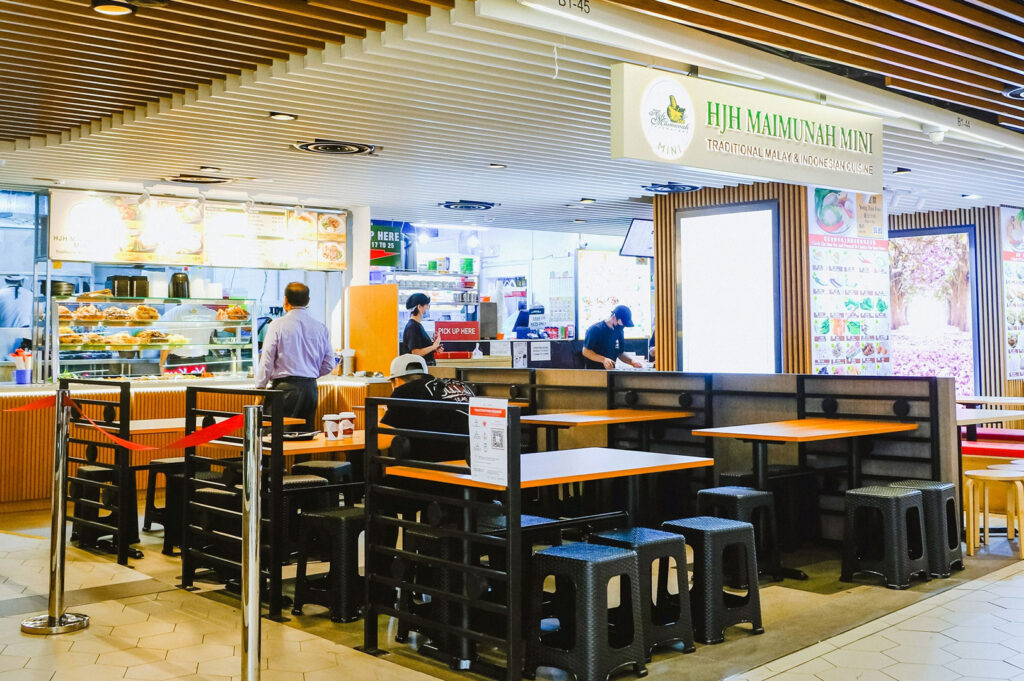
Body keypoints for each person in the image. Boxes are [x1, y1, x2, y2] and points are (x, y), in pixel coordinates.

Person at [255, 282, 335, 430]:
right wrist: (308, 373)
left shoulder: (277, 325)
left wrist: (260, 387)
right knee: (305, 436)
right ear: (308, 301)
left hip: (284, 389)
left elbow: (267, 359)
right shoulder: (320, 327)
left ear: (285, 301)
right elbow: (330, 364)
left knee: (272, 437)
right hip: (310, 389)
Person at [381, 353, 474, 462]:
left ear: (396, 381)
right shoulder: (458, 384)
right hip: (472, 460)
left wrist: (380, 416)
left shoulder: (404, 391)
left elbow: (380, 440)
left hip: (439, 464)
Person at [581, 304, 644, 370]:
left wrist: (632, 362)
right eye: (622, 323)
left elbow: (620, 353)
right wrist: (603, 360)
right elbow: (586, 351)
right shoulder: (595, 329)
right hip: (594, 372)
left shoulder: (619, 331)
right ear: (614, 317)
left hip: (610, 372)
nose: (623, 326)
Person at [159, 302, 216, 375]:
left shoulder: (173, 312)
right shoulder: (211, 313)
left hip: (177, 362)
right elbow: (231, 328)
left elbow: (167, 342)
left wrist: (161, 364)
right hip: (199, 362)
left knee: (178, 386)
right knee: (197, 385)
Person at [401, 292, 442, 365]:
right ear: (419, 307)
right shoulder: (412, 327)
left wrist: (434, 348)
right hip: (418, 372)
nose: (427, 307)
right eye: (426, 305)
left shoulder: (417, 325)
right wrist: (433, 346)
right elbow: (416, 353)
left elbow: (421, 348)